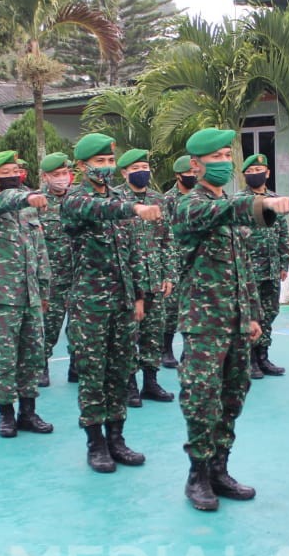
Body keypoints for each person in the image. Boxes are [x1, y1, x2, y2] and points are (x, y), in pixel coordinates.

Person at [174, 129, 289, 510]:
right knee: (202, 398)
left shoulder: (228, 202)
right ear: (196, 165)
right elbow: (222, 212)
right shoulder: (191, 206)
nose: (225, 161)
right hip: (204, 321)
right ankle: (198, 475)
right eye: (216, 156)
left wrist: (254, 315)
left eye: (228, 154)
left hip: (237, 321)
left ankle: (219, 468)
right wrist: (267, 206)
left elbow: (242, 267)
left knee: (232, 396)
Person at [61, 133, 162, 472]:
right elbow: (99, 209)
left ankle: (117, 438)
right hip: (90, 303)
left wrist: (137, 296)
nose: (105, 167)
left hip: (121, 302)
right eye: (99, 162)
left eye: (108, 161)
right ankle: (96, 443)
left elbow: (132, 251)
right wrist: (134, 206)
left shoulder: (118, 196)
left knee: (120, 372)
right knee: (93, 374)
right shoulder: (76, 200)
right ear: (82, 166)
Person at [0, 151, 53, 436]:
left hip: (30, 295)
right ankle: (6, 414)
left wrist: (43, 290)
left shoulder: (29, 210)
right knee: (4, 359)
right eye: (5, 172)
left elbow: (39, 250)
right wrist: (25, 197)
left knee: (32, 357)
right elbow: (1, 201)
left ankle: (28, 413)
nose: (13, 176)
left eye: (15, 171)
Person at [118, 148, 175, 405]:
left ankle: (150, 382)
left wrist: (168, 274)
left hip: (155, 280)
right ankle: (128, 384)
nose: (141, 172)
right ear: (124, 172)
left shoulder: (157, 199)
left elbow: (167, 239)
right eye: (135, 168)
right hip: (129, 282)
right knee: (129, 335)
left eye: (144, 166)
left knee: (153, 333)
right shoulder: (118, 201)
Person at [239, 153, 289, 380]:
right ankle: (248, 359)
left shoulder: (275, 199)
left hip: (271, 267)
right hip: (250, 269)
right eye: (249, 173)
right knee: (251, 313)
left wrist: (283, 262)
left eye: (258, 171)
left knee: (269, 312)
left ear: (267, 173)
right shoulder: (240, 201)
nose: (254, 175)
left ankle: (263, 355)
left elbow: (283, 234)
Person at [37, 152, 75, 387]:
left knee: (80, 328)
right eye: (56, 174)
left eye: (65, 173)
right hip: (52, 278)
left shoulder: (79, 199)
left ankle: (77, 366)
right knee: (49, 327)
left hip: (80, 275)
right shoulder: (38, 203)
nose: (62, 178)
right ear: (45, 177)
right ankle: (41, 365)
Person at [159, 155, 198, 369]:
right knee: (171, 308)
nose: (192, 177)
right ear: (178, 176)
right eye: (188, 174)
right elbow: (164, 234)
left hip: (196, 262)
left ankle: (188, 350)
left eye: (194, 173)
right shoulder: (168, 200)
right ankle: (165, 349)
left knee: (194, 309)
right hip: (175, 260)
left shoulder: (202, 198)